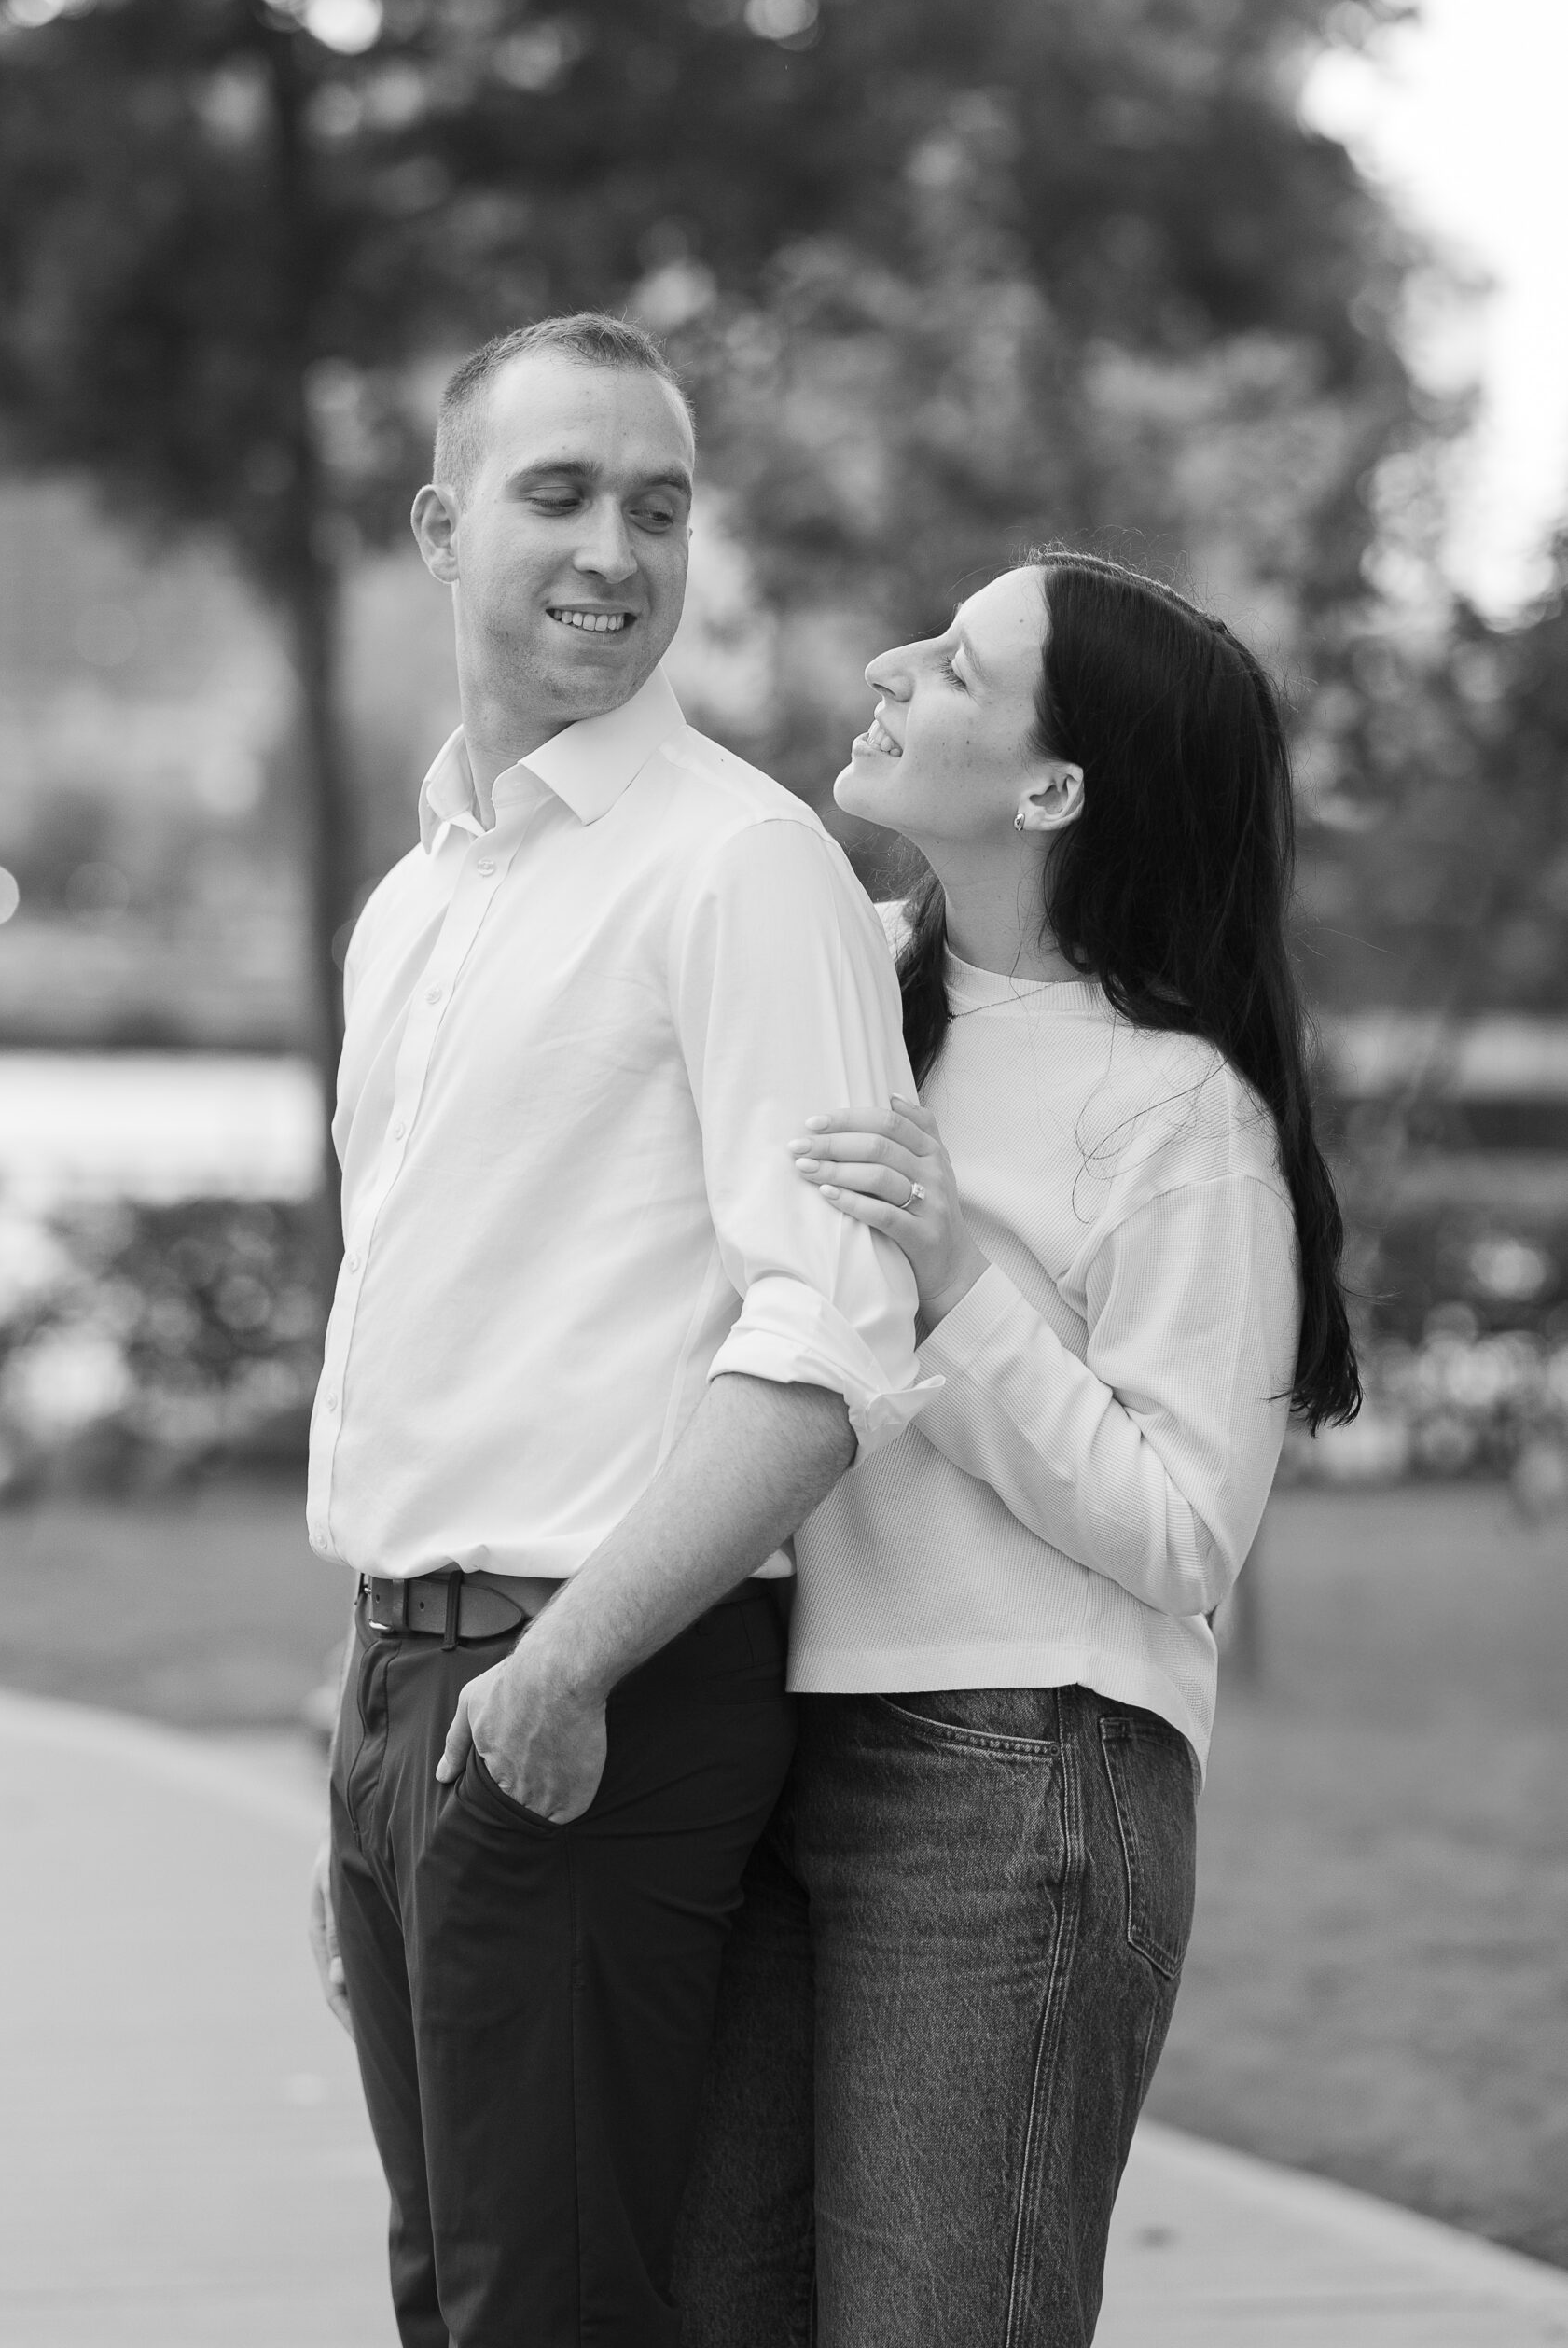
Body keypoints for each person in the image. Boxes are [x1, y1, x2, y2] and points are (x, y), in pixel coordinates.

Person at [304, 312, 934, 2348]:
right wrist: (367, 1727)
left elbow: (833, 1337)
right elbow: (427, 1318)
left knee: (547, 2311)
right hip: (412, 1681)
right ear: (439, 527)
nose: (614, 550)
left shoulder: (740, 865)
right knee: (457, 2296)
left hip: (598, 1677)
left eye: (656, 508)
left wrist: (561, 1668)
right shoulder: (418, 901)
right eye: (559, 494)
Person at [673, 552, 1360, 2348]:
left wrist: (956, 1282)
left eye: (960, 667)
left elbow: (1184, 1530)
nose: (889, 663)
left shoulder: (1174, 1109)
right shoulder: (840, 983)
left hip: (1013, 1778)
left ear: (1050, 791)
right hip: (756, 1733)